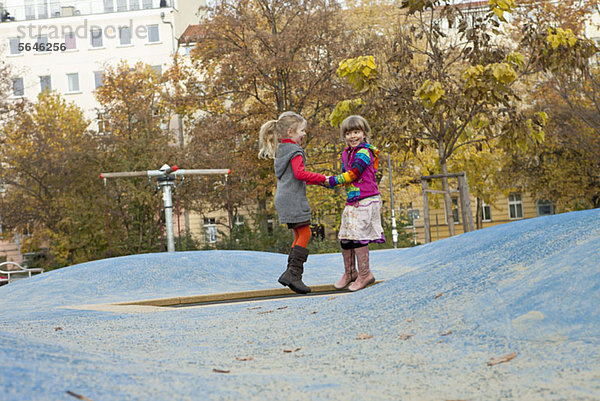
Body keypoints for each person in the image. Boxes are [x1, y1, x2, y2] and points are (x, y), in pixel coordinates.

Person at [258, 111, 327, 294]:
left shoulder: (281, 150)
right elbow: (300, 174)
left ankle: (291, 273)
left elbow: (296, 176)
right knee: (305, 233)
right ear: (290, 132)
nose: (304, 134)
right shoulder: (295, 151)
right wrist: (323, 177)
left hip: (284, 197)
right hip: (294, 199)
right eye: (302, 130)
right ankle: (294, 274)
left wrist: (320, 182)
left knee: (299, 234)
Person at [326, 115, 385, 291]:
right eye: (349, 133)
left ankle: (365, 274)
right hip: (353, 201)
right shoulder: (346, 153)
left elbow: (354, 174)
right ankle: (350, 272)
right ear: (344, 136)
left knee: (359, 236)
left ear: (364, 134)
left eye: (356, 132)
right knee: (345, 237)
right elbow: (345, 179)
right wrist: (328, 182)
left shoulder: (364, 152)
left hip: (367, 200)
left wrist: (332, 181)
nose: (353, 136)